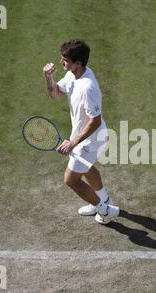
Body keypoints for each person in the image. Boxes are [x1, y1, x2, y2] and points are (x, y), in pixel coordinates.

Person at [43, 39, 119, 224]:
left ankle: (105, 210)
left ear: (78, 63)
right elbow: (55, 95)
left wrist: (73, 142)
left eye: (65, 60)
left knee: (71, 180)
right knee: (86, 168)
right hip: (85, 138)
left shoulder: (87, 87)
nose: (62, 62)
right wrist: (48, 78)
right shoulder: (72, 75)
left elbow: (95, 121)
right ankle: (103, 201)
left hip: (91, 140)